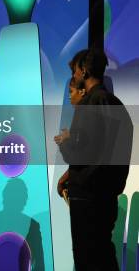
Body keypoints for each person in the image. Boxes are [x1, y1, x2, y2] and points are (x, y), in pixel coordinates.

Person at [55, 48, 133, 270]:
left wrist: (66, 141)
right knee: (104, 255)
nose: (74, 77)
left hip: (86, 197)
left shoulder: (89, 104)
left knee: (86, 259)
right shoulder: (115, 104)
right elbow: (103, 151)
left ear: (84, 70)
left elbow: (80, 154)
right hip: (107, 196)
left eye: (76, 71)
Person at [54, 76, 86, 201]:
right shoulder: (80, 114)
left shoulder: (85, 115)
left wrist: (63, 179)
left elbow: (82, 159)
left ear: (82, 92)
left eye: (71, 92)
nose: (69, 96)